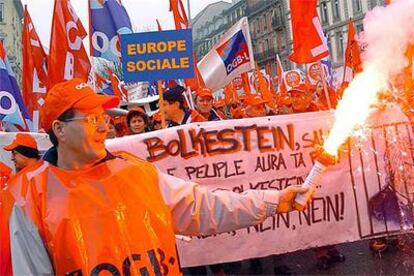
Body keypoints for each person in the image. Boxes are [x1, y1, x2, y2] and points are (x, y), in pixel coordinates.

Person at [0, 79, 309, 275]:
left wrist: (272, 201)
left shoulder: (134, 170)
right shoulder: (29, 196)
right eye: (92, 118)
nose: (104, 126)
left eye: (104, 117)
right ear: (59, 130)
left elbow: (203, 206)